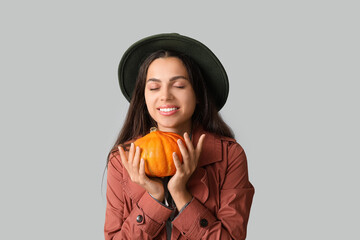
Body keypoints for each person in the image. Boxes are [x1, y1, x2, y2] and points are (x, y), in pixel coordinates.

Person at [104, 33, 255, 240]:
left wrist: (181, 194)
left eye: (179, 85)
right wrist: (154, 198)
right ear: (143, 97)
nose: (165, 96)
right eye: (154, 87)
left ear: (199, 95)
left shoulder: (229, 156)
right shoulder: (121, 160)